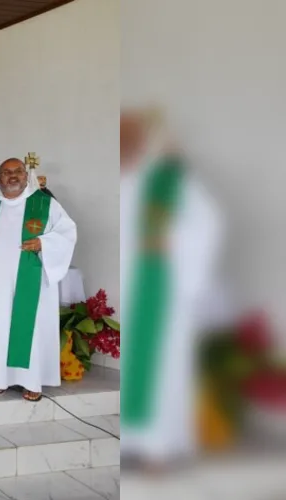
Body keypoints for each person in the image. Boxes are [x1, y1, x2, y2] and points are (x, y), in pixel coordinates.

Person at [119, 108, 222, 469]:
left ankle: (156, 448)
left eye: (130, 134)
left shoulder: (167, 179)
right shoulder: (120, 179)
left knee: (159, 367)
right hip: (129, 289)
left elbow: (208, 223)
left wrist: (172, 242)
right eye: (120, 133)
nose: (124, 141)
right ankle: (128, 442)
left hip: (155, 286)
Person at [0, 157, 77, 402]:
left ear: (26, 176)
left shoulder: (45, 204)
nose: (12, 176)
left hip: (32, 279)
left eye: (17, 171)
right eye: (6, 172)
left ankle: (32, 380)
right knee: (0, 325)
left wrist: (42, 243)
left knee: (31, 328)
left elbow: (68, 232)